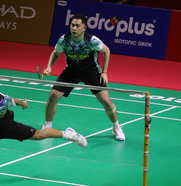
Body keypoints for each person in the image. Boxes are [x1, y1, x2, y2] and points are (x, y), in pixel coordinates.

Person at [42, 14, 126, 142]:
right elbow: (56, 53)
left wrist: (104, 72)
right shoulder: (64, 40)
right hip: (71, 71)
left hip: (91, 71)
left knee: (106, 101)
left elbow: (106, 51)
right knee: (53, 96)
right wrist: (49, 67)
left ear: (84, 28)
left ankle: (116, 127)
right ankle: (48, 126)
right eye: (72, 25)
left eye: (77, 26)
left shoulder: (92, 40)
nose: (74, 28)